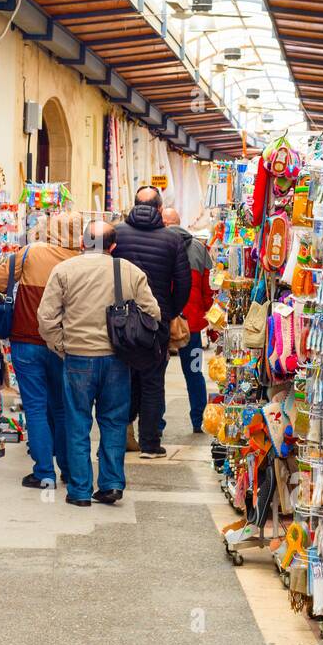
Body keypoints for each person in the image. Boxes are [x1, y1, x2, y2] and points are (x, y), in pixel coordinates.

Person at [37, 219, 160, 506]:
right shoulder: (129, 271)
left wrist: (61, 345)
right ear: (113, 246)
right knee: (114, 421)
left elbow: (46, 318)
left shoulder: (64, 270)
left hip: (78, 357)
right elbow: (152, 312)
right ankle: (111, 483)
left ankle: (80, 491)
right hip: (117, 359)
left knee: (77, 423)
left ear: (82, 243)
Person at [0, 211, 83, 489]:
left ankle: (44, 473)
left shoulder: (32, 252)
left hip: (27, 340)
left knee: (35, 407)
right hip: (62, 344)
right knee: (62, 407)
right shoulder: (81, 260)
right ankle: (68, 469)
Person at [112, 186, 191, 459]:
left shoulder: (117, 234)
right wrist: (169, 311)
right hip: (155, 322)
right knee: (153, 381)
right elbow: (183, 284)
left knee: (122, 378)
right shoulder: (172, 241)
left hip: (119, 319)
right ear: (159, 209)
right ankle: (150, 443)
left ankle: (120, 436)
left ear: (133, 205)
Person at [162, 207, 213, 433]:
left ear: (165, 223)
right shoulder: (200, 249)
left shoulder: (157, 246)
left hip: (162, 325)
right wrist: (208, 319)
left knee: (156, 376)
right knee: (194, 373)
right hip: (191, 327)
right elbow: (208, 292)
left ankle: (156, 424)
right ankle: (198, 420)